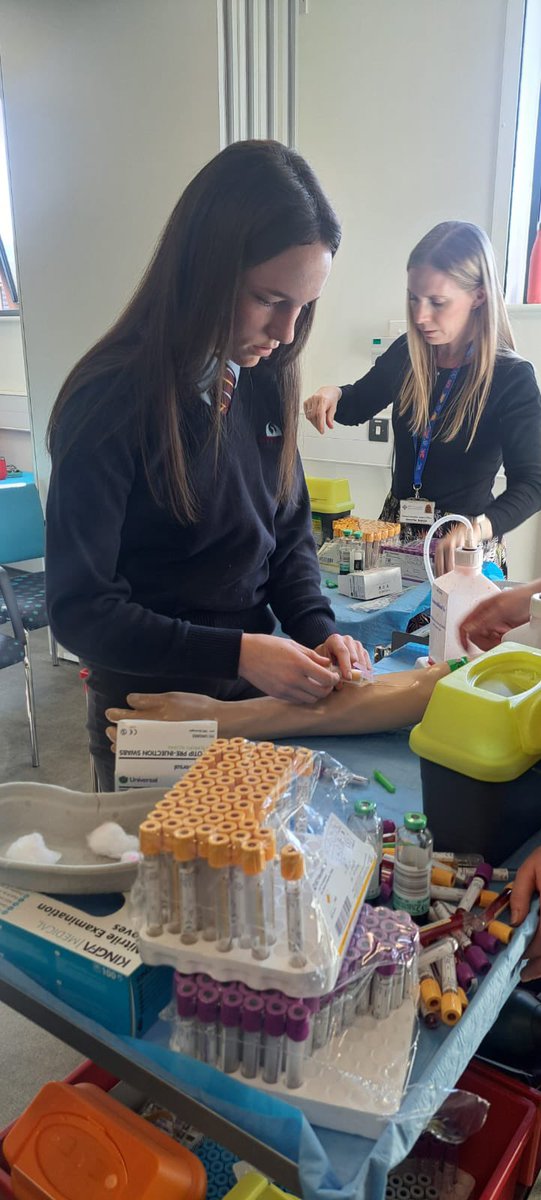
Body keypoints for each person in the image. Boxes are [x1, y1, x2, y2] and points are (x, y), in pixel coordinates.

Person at [46, 140, 368, 792]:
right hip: (151, 714)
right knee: (171, 889)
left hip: (252, 701)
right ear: (204, 269)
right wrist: (241, 652)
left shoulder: (263, 375)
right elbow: (82, 610)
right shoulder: (109, 400)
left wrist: (316, 630)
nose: (285, 331)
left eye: (303, 306)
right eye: (268, 299)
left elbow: (285, 537)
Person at [304, 221, 541, 576]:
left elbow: (532, 482)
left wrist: (477, 528)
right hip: (395, 537)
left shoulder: (510, 377)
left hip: (463, 547)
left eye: (437, 302)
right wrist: (334, 393)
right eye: (414, 298)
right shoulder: (409, 353)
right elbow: (357, 404)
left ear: (478, 295)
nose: (419, 316)